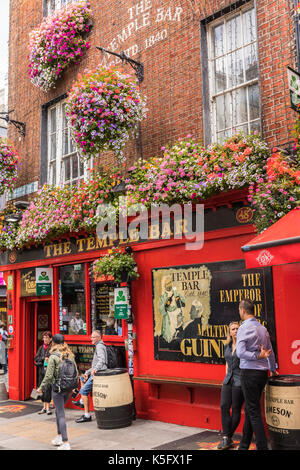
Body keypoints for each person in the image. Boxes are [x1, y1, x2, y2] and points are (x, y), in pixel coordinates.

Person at [236, 299, 277, 451]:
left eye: (239, 310)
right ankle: (244, 445)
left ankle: (262, 447)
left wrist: (256, 356)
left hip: (249, 372)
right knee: (250, 408)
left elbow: (240, 353)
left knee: (253, 411)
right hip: (262, 374)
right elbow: (270, 352)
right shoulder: (263, 329)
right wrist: (272, 368)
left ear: (243, 311)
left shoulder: (243, 328)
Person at [37, 334, 77, 450]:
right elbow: (75, 369)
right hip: (68, 387)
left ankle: (65, 442)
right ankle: (59, 436)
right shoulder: (70, 354)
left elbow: (49, 375)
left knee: (60, 414)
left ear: (53, 343)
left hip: (58, 388)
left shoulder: (53, 356)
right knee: (59, 412)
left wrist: (41, 387)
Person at [217, 321, 244, 450]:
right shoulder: (227, 346)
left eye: (237, 328)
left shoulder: (243, 345)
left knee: (236, 409)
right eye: (233, 329)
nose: (235, 331)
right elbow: (227, 362)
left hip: (239, 381)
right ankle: (227, 438)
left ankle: (226, 437)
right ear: (229, 332)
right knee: (224, 406)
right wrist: (225, 376)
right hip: (228, 380)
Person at [72, 330, 107, 423]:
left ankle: (87, 415)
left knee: (83, 391)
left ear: (99, 338)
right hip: (95, 372)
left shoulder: (99, 346)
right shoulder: (98, 346)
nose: (91, 339)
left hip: (98, 374)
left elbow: (102, 360)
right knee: (82, 377)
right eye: (91, 337)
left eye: (93, 337)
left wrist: (95, 369)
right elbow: (94, 365)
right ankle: (82, 401)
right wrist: (87, 372)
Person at [34, 331, 53, 415]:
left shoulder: (52, 348)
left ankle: (48, 408)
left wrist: (48, 359)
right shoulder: (41, 348)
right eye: (44, 337)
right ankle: (44, 407)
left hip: (48, 371)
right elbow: (36, 358)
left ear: (50, 338)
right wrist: (43, 358)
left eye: (46, 337)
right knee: (42, 388)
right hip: (41, 371)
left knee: (48, 388)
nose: (45, 339)